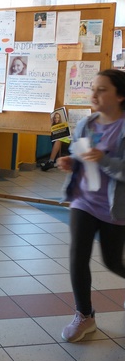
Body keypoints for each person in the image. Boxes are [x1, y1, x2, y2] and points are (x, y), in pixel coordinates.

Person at [57, 69, 125, 342]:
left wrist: (103, 160)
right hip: (83, 200)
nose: (94, 94)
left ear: (120, 96)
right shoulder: (87, 124)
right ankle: (85, 315)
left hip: (115, 207)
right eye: (93, 88)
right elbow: (79, 155)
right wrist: (71, 162)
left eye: (102, 89)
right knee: (78, 255)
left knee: (113, 261)